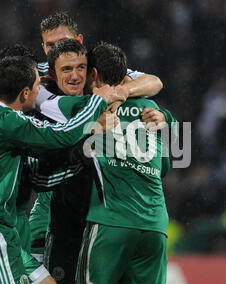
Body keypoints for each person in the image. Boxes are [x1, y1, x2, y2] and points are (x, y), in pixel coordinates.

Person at [0, 55, 118, 284]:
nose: (41, 90)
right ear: (25, 93)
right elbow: (63, 134)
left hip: (0, 228)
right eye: (38, 85)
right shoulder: (10, 123)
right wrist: (96, 102)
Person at [28, 11, 165, 265]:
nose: (57, 49)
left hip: (100, 201)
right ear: (43, 47)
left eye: (64, 41)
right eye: (50, 45)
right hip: (56, 196)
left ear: (80, 41)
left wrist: (122, 91)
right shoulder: (39, 77)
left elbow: (154, 82)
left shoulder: (94, 68)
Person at [76, 42, 176, 284]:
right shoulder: (152, 109)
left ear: (94, 74)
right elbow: (164, 167)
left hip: (111, 221)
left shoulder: (90, 110)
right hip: (154, 226)